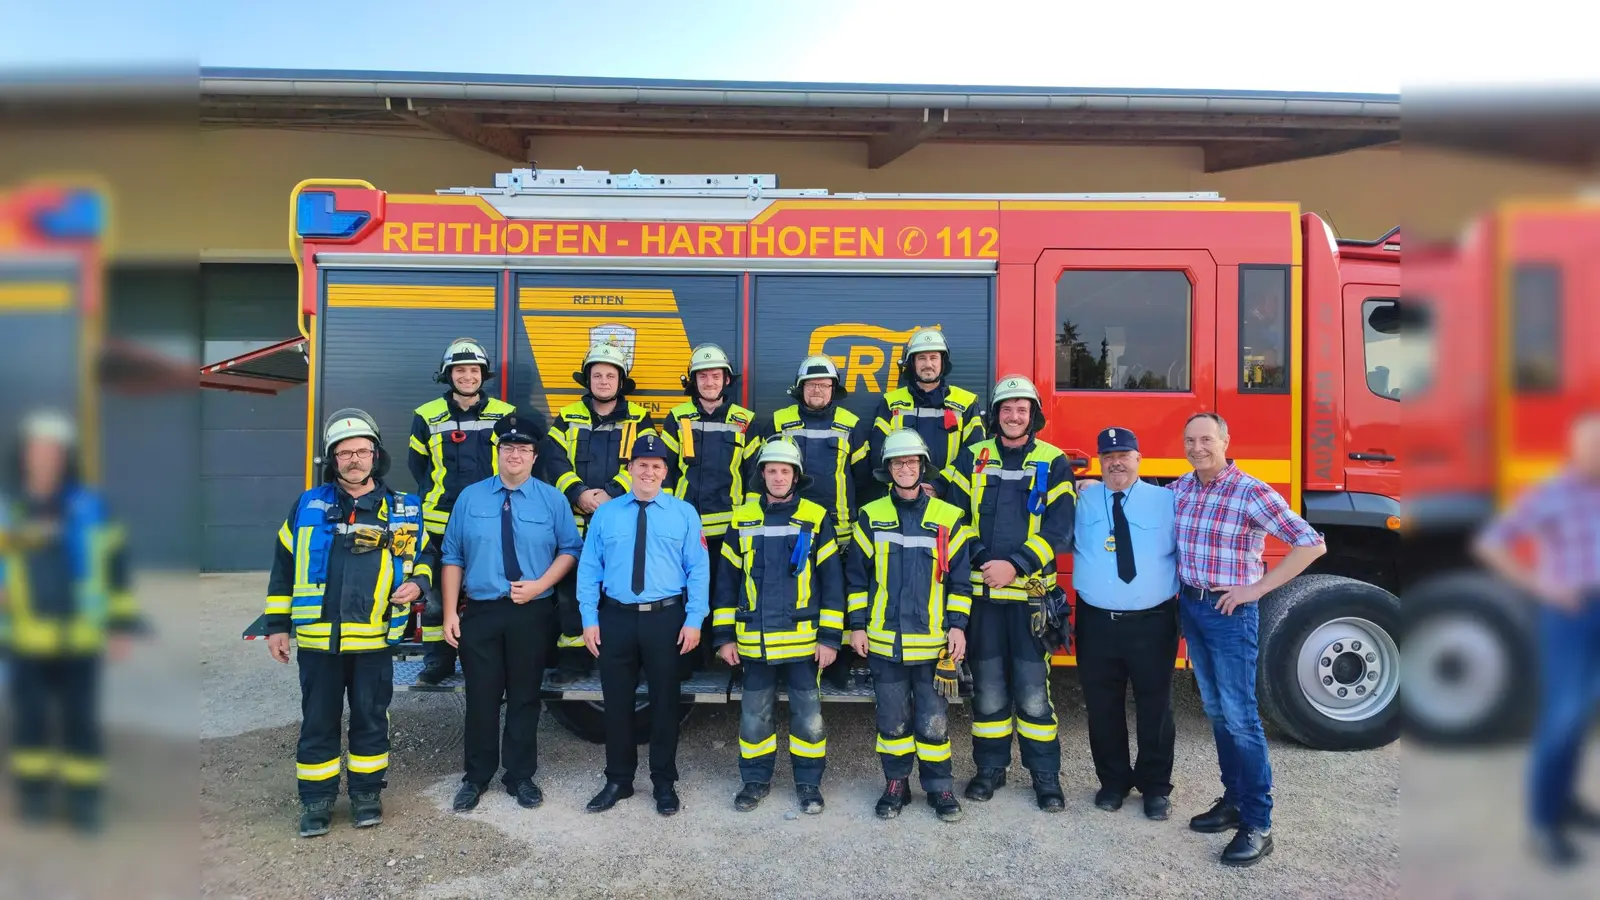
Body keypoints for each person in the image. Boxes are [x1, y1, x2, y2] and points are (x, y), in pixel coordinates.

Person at [262, 409, 433, 838]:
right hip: (319, 641)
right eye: (344, 453)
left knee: (371, 718)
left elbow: (429, 556)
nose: (354, 459)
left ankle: (366, 795)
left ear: (376, 456)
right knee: (318, 720)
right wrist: (277, 624)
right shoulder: (307, 506)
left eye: (361, 451)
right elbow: (283, 567)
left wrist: (417, 583)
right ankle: (316, 802)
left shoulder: (404, 509)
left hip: (376, 638)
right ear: (332, 459)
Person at [1174, 411, 1326, 867]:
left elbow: (1311, 543)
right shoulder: (1181, 489)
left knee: (1241, 717)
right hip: (1193, 607)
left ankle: (1259, 824)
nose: (1197, 447)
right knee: (1217, 711)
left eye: (1206, 439)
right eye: (1189, 440)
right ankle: (1234, 800)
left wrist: (1256, 589)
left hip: (1230, 612)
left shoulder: (1250, 491)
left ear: (1225, 440)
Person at [0, 410, 141, 833]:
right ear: (24, 456)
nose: (43, 458)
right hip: (25, 638)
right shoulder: (9, 510)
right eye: (36, 451)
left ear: (65, 457)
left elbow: (116, 570)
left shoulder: (91, 507)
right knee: (30, 722)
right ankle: (36, 797)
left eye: (52, 451)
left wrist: (119, 625)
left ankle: (84, 803)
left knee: (81, 721)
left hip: (82, 638)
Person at [942, 374, 1075, 812]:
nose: (1014, 415)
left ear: (1032, 414)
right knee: (989, 691)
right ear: (995, 414)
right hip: (984, 599)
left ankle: (1045, 778)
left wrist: (1014, 565)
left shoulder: (1053, 461)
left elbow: (1059, 529)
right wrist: (983, 560)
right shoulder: (973, 456)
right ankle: (989, 770)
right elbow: (954, 517)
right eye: (1006, 408)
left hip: (1031, 601)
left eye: (1021, 408)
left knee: (1034, 693)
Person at [1473, 410, 1600, 867]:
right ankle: (1544, 825)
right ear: (1575, 449)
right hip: (1571, 614)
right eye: (1590, 446)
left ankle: (1567, 802)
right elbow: (1493, 543)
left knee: (1584, 714)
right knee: (1563, 716)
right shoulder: (1555, 494)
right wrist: (1542, 586)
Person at [439, 408, 581, 813]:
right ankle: (476, 776)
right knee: (481, 697)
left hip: (531, 613)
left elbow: (570, 550)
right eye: (508, 447)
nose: (514, 454)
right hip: (481, 612)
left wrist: (540, 585)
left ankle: (520, 776)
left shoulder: (552, 500)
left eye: (523, 448)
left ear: (535, 456)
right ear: (496, 453)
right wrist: (451, 612)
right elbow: (452, 556)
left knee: (524, 697)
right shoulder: (470, 498)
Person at [577, 432, 709, 817]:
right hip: (615, 617)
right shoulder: (606, 513)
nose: (648, 471)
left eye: (655, 466)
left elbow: (698, 570)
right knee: (617, 704)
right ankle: (618, 779)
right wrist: (589, 618)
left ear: (665, 471)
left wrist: (694, 619)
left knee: (666, 705)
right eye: (641, 465)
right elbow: (589, 568)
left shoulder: (684, 513)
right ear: (629, 469)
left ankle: (664, 783)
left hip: (667, 619)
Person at [711, 436, 844, 814]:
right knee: (754, 716)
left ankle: (808, 785)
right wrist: (723, 636)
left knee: (808, 718)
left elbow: (832, 583)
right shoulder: (743, 518)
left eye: (785, 471)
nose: (779, 477)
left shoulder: (816, 518)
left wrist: (831, 638)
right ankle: (754, 781)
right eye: (772, 470)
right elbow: (727, 582)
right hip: (755, 641)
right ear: (762, 475)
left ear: (796, 476)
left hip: (804, 642)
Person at [847, 429, 974, 823]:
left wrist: (957, 626)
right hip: (885, 643)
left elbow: (960, 582)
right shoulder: (871, 516)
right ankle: (896, 784)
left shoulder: (948, 518)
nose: (905, 468)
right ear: (889, 469)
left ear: (922, 467)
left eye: (912, 462)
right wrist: (856, 626)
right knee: (892, 721)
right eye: (898, 462)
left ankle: (939, 788)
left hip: (933, 643)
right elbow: (857, 578)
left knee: (934, 722)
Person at [1071, 427, 1180, 820]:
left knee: (1156, 706)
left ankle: (1155, 787)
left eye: (1124, 454)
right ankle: (1113, 781)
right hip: (1097, 622)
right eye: (1108, 456)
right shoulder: (1081, 500)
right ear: (1099, 462)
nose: (1116, 461)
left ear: (1138, 457)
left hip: (1152, 623)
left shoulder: (1167, 500)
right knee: (1102, 706)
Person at [755, 355, 871, 688]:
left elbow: (862, 478)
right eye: (811, 385)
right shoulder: (779, 421)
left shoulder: (852, 424)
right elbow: (762, 471)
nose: (817, 390)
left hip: (840, 530)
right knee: (795, 592)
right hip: (789, 527)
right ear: (800, 388)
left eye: (824, 385)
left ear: (834, 389)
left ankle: (837, 665)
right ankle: (790, 661)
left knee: (838, 594)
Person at [543, 339, 655, 684]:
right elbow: (552, 458)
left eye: (610, 375)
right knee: (573, 593)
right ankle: (575, 663)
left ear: (621, 381)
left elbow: (646, 461)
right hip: (575, 522)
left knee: (622, 593)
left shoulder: (639, 417)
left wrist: (611, 493)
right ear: (587, 380)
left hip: (622, 519)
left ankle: (624, 662)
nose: (603, 381)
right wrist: (578, 492)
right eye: (597, 375)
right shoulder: (567, 417)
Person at [411, 337, 516, 686]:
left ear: (483, 375)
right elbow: (418, 468)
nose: (467, 376)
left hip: (489, 521)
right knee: (438, 598)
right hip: (439, 522)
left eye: (474, 370)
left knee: (484, 593)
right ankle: (438, 661)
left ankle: (479, 658)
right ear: (448, 374)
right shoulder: (426, 416)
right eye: (460, 370)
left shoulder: (504, 414)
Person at [660, 343, 758, 673]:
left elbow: (754, 475)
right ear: (693, 381)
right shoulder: (677, 418)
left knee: (728, 591)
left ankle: (728, 653)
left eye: (715, 375)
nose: (709, 381)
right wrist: (670, 516)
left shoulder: (745, 421)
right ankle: (690, 657)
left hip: (730, 529)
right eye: (703, 376)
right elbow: (666, 470)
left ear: (726, 380)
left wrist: (749, 524)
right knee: (686, 593)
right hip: (688, 529)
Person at [868, 327, 984, 497]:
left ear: (942, 362)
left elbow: (974, 454)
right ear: (912, 363)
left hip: (949, 498)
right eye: (921, 358)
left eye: (933, 358)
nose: (928, 364)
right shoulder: (891, 404)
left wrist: (938, 484)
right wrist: (908, 486)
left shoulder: (965, 404)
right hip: (900, 497)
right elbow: (879, 453)